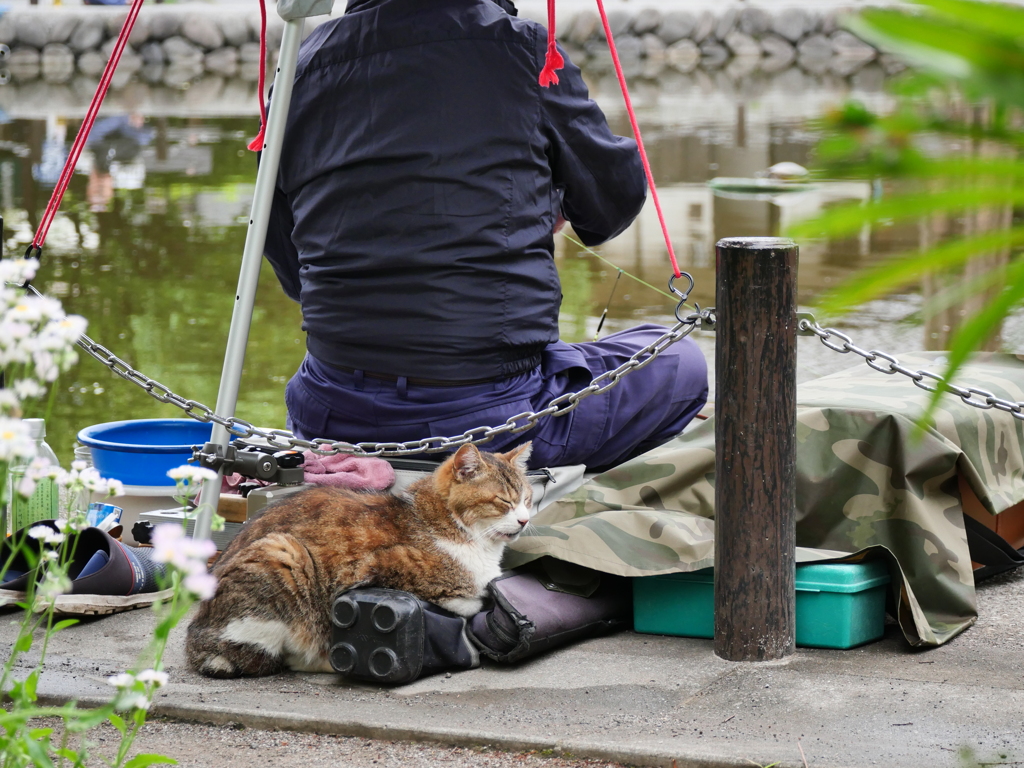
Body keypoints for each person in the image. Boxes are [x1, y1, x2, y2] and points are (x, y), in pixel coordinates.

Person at [263, 0, 708, 472]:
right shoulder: (520, 48)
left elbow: (292, 270)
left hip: (329, 413)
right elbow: (610, 206)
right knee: (679, 361)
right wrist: (548, 200)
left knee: (557, 357)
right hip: (487, 418)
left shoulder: (299, 67)